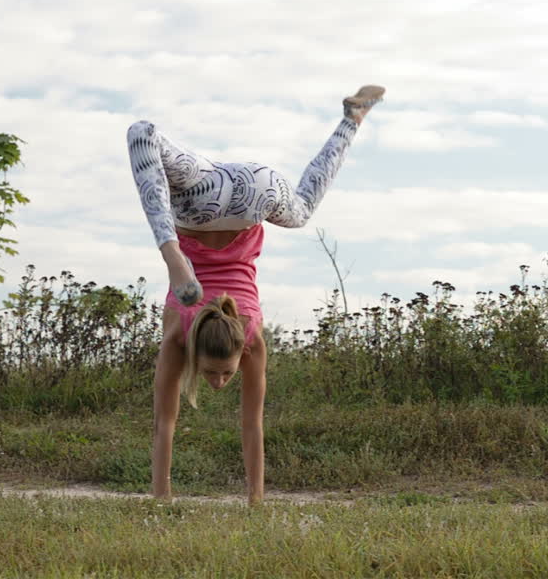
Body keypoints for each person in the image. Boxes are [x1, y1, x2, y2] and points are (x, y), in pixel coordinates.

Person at [126, 85, 384, 504]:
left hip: (206, 198)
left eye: (220, 373)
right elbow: (248, 425)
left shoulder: (179, 335)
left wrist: (166, 501)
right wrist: (247, 502)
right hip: (253, 189)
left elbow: (165, 424)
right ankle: (351, 119)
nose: (217, 381)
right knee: (298, 211)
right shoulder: (244, 338)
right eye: (217, 374)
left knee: (143, 133)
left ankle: (171, 252)